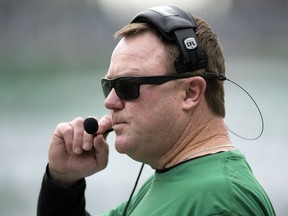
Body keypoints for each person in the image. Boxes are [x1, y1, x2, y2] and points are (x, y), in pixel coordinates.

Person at [37, 4, 275, 216]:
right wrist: (62, 183)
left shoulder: (222, 202)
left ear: (190, 93)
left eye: (127, 86)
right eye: (108, 85)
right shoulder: (166, 179)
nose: (109, 101)